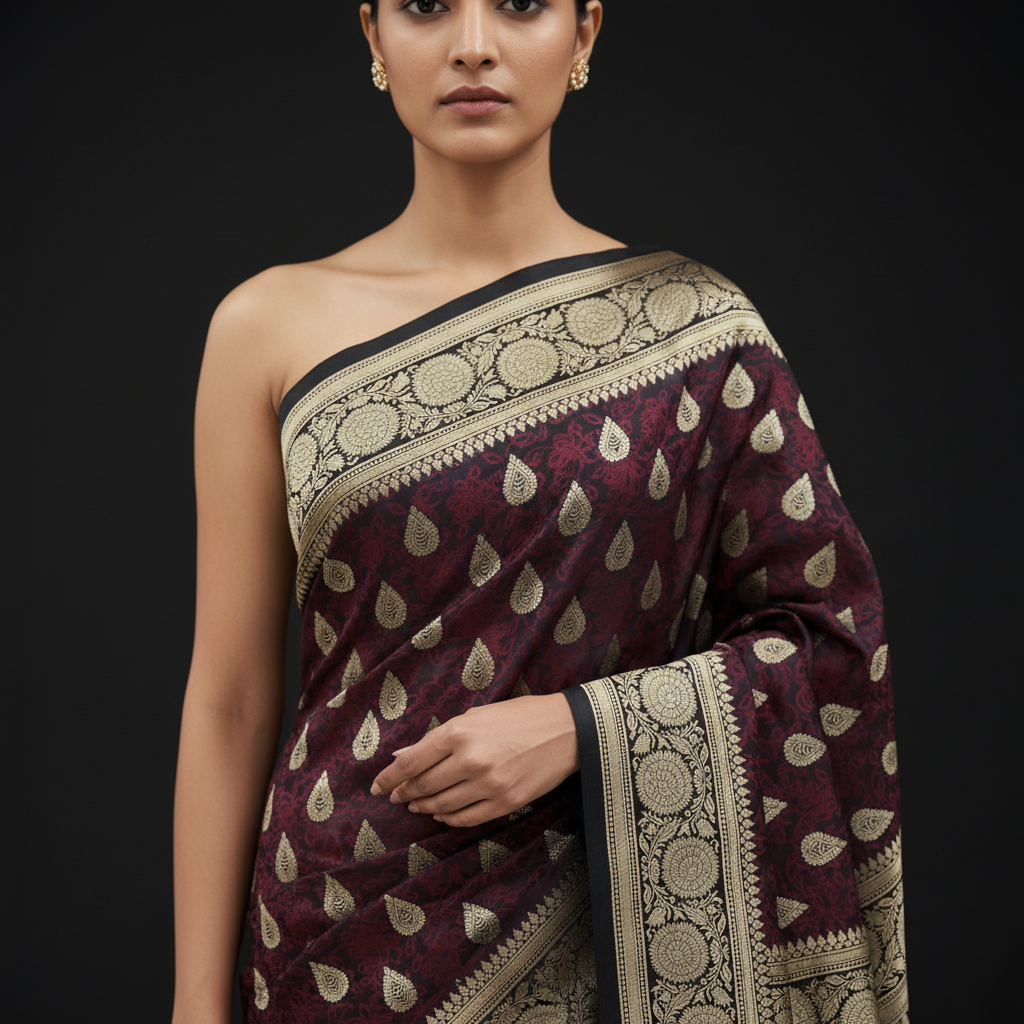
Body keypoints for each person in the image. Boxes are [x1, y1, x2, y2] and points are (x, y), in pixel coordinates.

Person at [172, 2, 908, 1022]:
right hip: (329, 934)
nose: (473, 42)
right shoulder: (267, 327)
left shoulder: (696, 333)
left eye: (521, 4)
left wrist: (579, 728)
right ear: (374, 35)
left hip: (590, 932)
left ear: (585, 33)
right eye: (426, 6)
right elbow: (231, 701)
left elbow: (829, 642)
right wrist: (195, 1003)